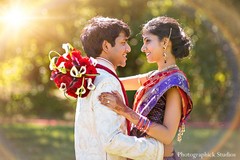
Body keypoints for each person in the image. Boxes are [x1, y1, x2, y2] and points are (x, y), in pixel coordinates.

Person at [99, 16, 193, 160]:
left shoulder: (174, 82)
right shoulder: (154, 76)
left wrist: (124, 110)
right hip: (142, 152)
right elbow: (115, 81)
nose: (143, 48)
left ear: (165, 42)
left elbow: (167, 136)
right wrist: (91, 75)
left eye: (147, 41)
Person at [75, 16, 164, 160]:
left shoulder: (91, 77)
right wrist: (156, 149)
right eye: (123, 43)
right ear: (106, 46)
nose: (128, 49)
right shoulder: (106, 82)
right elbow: (111, 141)